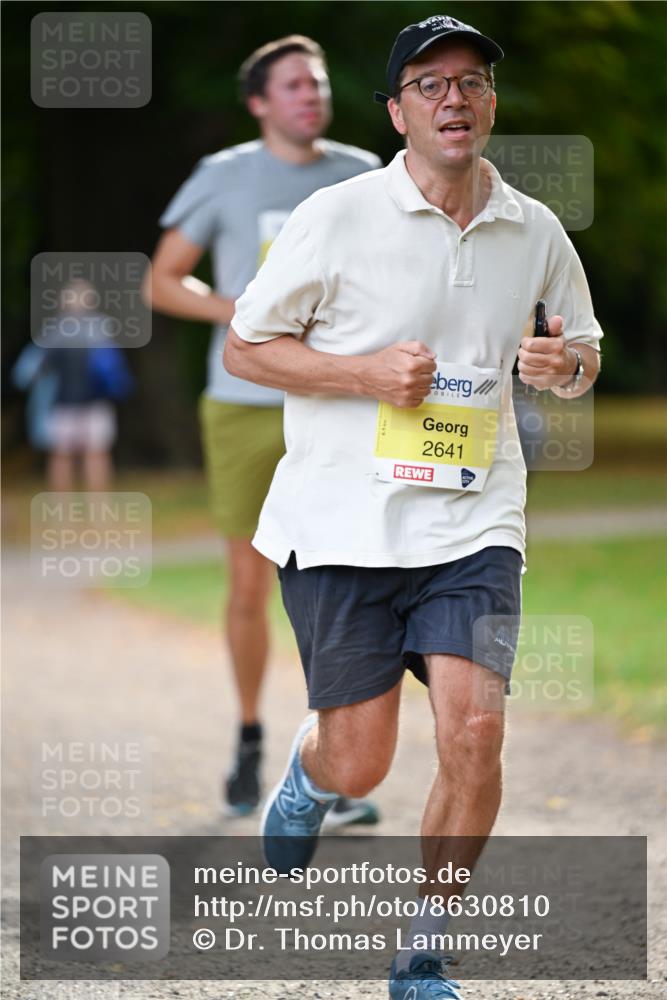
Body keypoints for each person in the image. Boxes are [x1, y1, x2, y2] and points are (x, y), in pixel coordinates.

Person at [224, 13, 602, 999]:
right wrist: (361, 375)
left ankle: (423, 945)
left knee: (475, 731)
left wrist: (566, 368)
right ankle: (313, 778)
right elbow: (246, 349)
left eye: (471, 81)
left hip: (473, 522)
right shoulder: (338, 216)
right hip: (342, 524)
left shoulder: (535, 228)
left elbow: (579, 353)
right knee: (361, 759)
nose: (453, 98)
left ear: (489, 102)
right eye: (429, 84)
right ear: (396, 111)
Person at [146, 35, 382, 825]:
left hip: (337, 401)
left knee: (343, 580)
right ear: (258, 103)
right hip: (244, 404)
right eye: (291, 86)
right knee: (251, 584)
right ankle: (250, 736)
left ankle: (328, 762)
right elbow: (162, 280)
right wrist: (245, 316)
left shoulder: (362, 174)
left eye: (316, 84)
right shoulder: (225, 177)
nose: (309, 96)